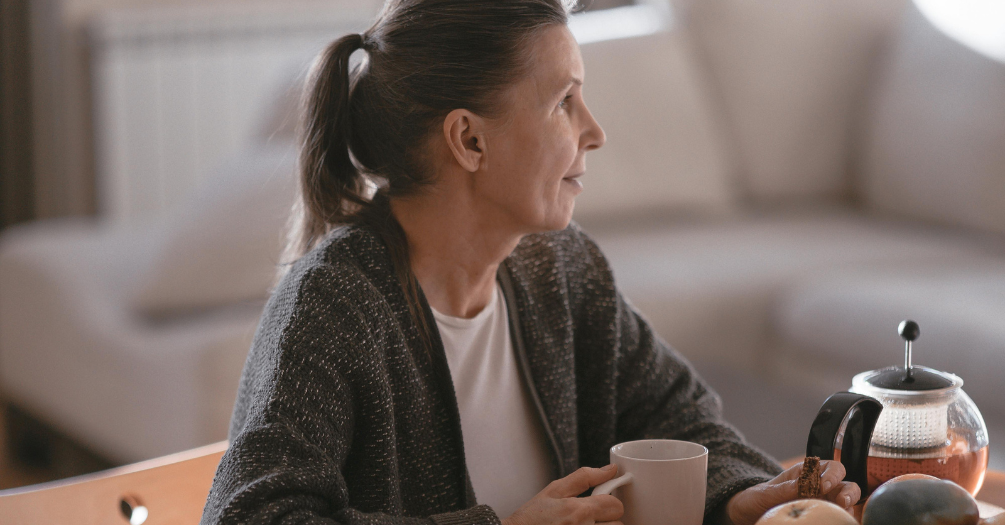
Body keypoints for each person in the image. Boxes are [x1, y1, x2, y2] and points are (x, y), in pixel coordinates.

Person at [201, 1, 862, 524]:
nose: (594, 131)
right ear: (469, 139)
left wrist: (737, 494)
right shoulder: (337, 302)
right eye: (563, 102)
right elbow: (253, 514)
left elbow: (676, 416)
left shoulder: (559, 268)